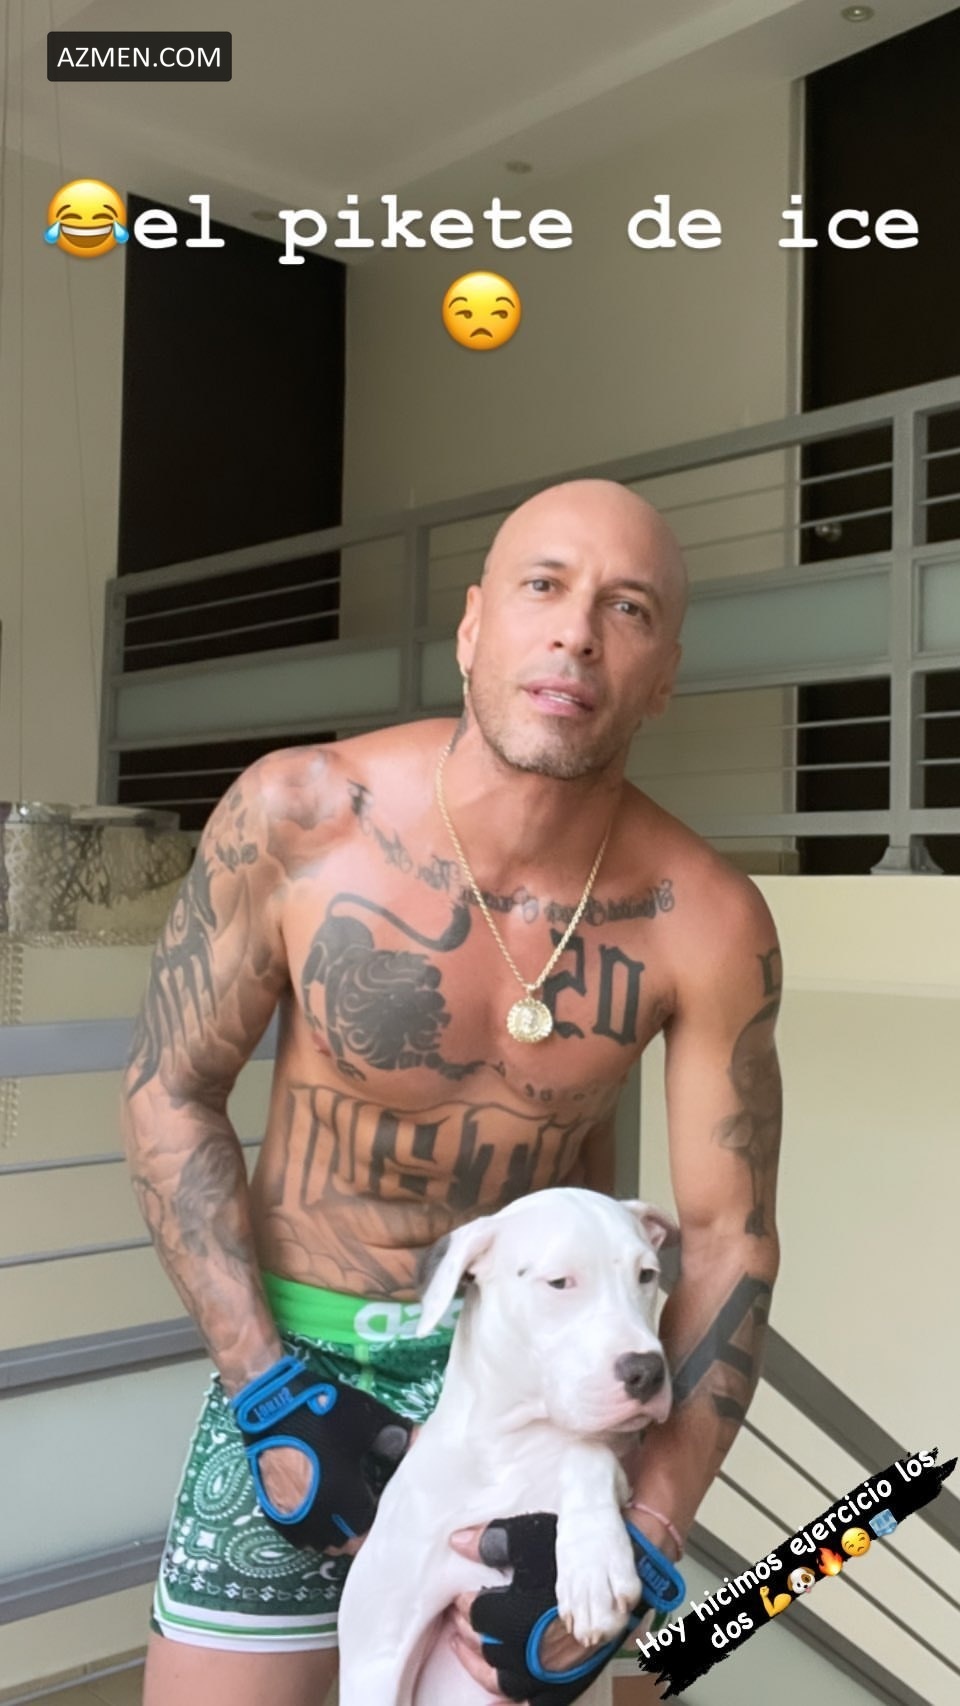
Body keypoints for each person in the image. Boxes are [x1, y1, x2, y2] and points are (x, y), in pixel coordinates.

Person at [122, 477, 782, 1706]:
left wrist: (650, 1527)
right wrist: (263, 1385)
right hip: (297, 1363)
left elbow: (727, 1229)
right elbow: (171, 1091)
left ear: (663, 675)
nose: (577, 632)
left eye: (627, 607)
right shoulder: (300, 816)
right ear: (475, 625)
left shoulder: (705, 920)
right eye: (545, 586)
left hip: (541, 1386)